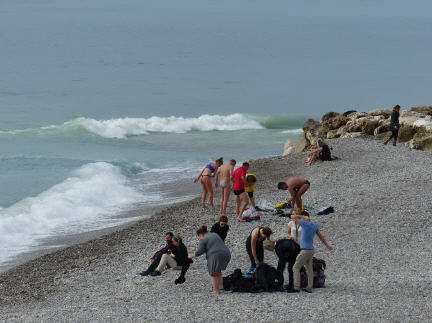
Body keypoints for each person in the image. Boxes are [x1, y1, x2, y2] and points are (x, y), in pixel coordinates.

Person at [287, 214, 333, 293]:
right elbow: (321, 237)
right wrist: (327, 245)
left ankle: (296, 287)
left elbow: (293, 216)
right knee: (309, 269)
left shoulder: (304, 224)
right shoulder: (314, 225)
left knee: (295, 267)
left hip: (305, 250)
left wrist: (301, 216)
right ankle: (309, 288)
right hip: (311, 250)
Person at [188, 225, 231, 295]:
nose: (199, 238)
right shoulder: (214, 234)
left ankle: (216, 291)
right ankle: (220, 286)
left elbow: (199, 252)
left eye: (198, 237)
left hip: (216, 255)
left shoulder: (203, 239)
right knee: (218, 270)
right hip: (226, 253)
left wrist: (190, 256)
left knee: (213, 273)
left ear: (200, 234)